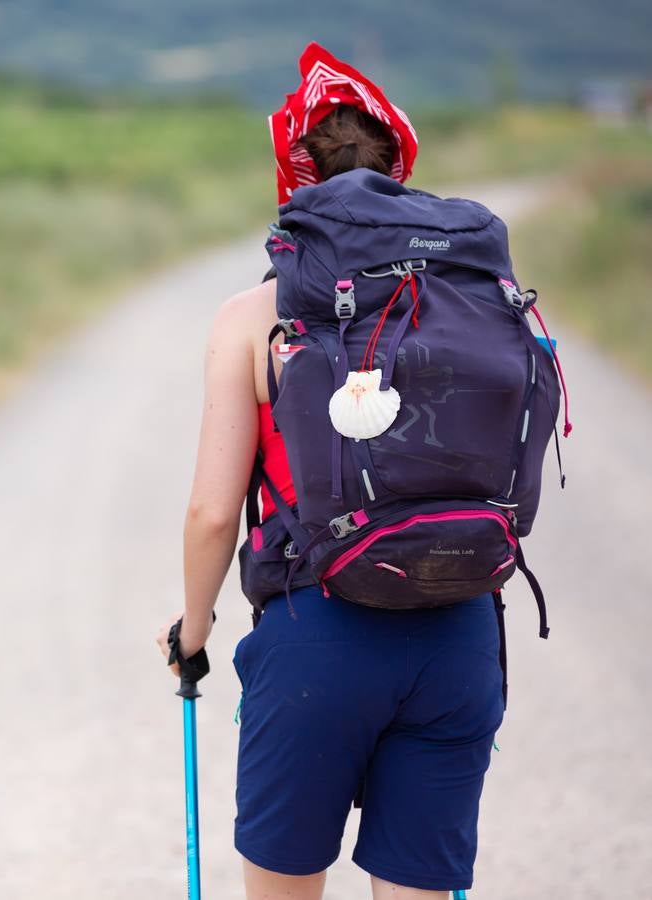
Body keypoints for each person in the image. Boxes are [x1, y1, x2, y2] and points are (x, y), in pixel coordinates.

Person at [155, 44, 504, 900]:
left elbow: (211, 513)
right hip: (459, 630)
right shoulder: (473, 294)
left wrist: (193, 635)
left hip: (317, 636)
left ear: (293, 175)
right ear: (400, 166)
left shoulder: (255, 315)